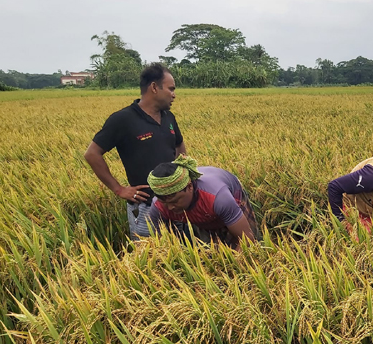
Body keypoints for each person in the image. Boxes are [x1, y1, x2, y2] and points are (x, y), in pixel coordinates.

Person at [84, 62, 186, 239]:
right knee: (147, 258)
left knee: (182, 253)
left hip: (176, 203)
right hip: (145, 206)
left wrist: (183, 177)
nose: (174, 95)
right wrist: (119, 189)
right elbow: (92, 154)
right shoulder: (123, 119)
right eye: (171, 89)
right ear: (154, 87)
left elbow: (179, 146)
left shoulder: (169, 117)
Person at [147, 156, 259, 250]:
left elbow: (247, 238)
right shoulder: (158, 208)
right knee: (209, 253)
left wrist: (234, 267)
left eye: (175, 201)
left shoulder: (219, 197)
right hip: (202, 216)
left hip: (228, 201)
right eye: (164, 202)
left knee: (252, 248)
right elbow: (163, 246)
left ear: (189, 186)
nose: (170, 207)